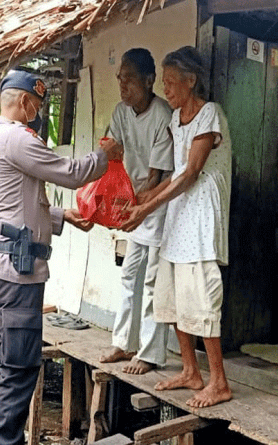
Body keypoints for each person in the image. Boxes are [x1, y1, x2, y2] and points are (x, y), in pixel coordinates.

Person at [0, 70, 122, 445]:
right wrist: (103, 155)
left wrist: (61, 216)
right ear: (24, 102)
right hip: (19, 271)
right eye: (38, 105)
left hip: (8, 265)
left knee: (5, 364)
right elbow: (72, 174)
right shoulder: (17, 139)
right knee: (19, 367)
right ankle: (4, 440)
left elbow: (19, 200)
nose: (39, 113)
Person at [121, 46, 232, 408]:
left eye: (171, 83)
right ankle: (190, 370)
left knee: (202, 295)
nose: (166, 90)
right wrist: (144, 197)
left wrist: (149, 205)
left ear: (191, 81)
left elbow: (191, 173)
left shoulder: (209, 115)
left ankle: (219, 381)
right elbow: (173, 178)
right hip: (179, 211)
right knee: (170, 294)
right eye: (164, 83)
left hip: (201, 212)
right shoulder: (176, 119)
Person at [98, 49, 173, 375]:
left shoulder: (162, 115)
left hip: (157, 203)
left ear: (149, 80)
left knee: (153, 280)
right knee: (130, 274)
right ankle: (124, 343)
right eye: (119, 78)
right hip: (134, 202)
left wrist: (137, 207)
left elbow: (157, 176)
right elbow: (111, 152)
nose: (122, 84)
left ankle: (151, 353)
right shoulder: (121, 111)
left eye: (129, 78)